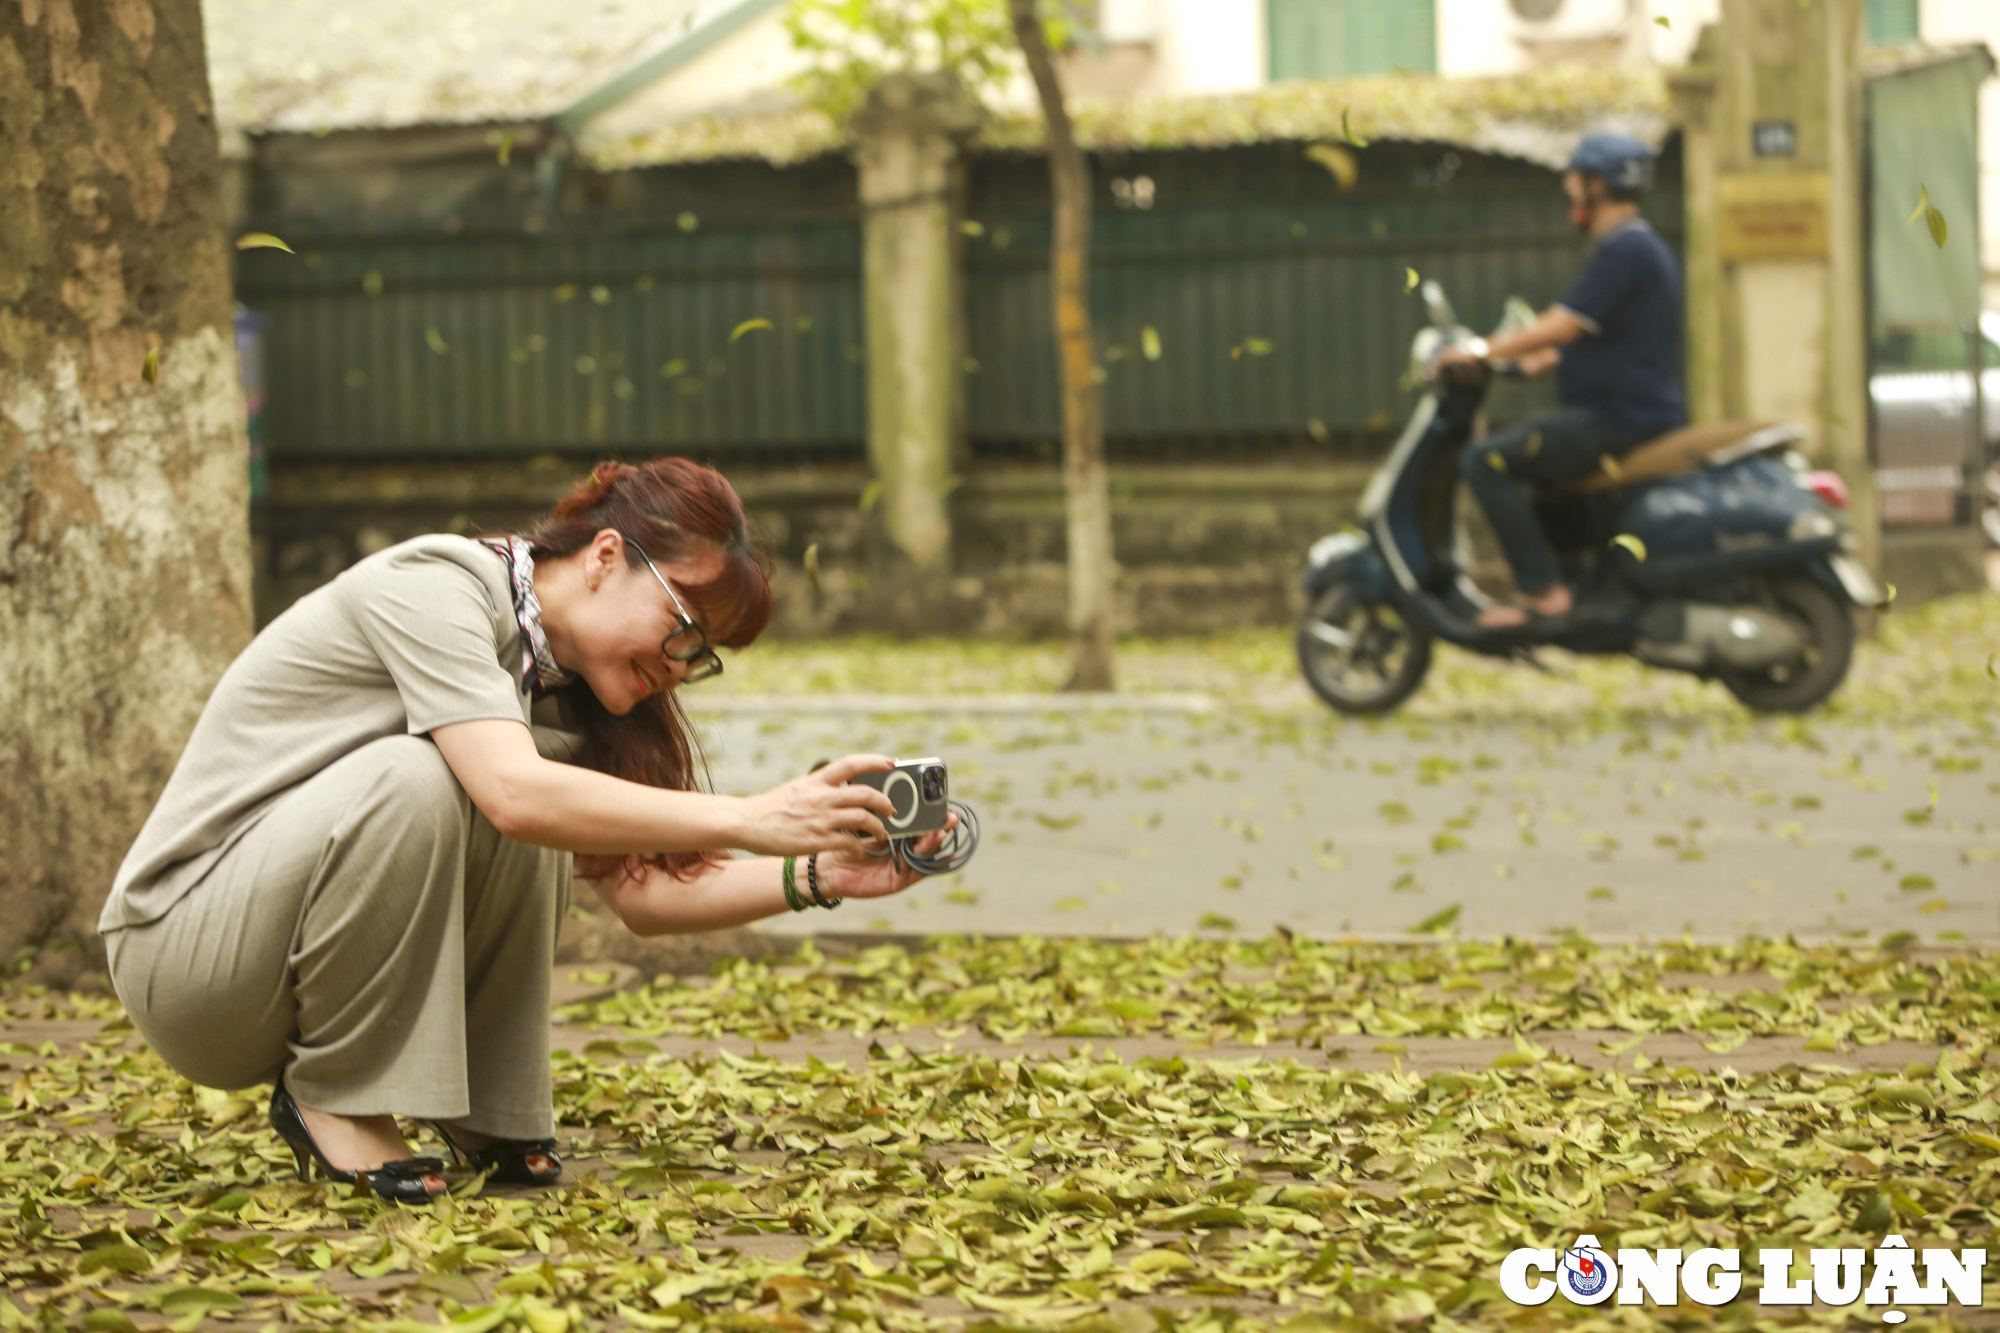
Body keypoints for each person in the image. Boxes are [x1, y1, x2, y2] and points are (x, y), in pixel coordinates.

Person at [100, 458, 951, 1202]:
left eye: (704, 653)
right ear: (606, 558)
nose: (682, 665)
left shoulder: (567, 692)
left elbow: (646, 892)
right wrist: (754, 815)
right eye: (684, 626)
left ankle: (480, 1107)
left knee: (528, 788)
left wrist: (816, 872)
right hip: (188, 955)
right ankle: (337, 1095)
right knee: (434, 776)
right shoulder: (434, 587)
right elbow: (511, 792)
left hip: (279, 958)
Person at [1433, 131, 1688, 628]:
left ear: (1596, 186)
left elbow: (1566, 322)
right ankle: (1574, 580)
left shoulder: (1626, 248)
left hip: (1617, 417)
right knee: (1541, 469)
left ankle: (1543, 594)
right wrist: (1532, 363)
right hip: (1630, 409)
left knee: (1486, 461)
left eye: (1574, 181)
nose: (1569, 192)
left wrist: (1481, 349)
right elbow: (1599, 333)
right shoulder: (1634, 247)